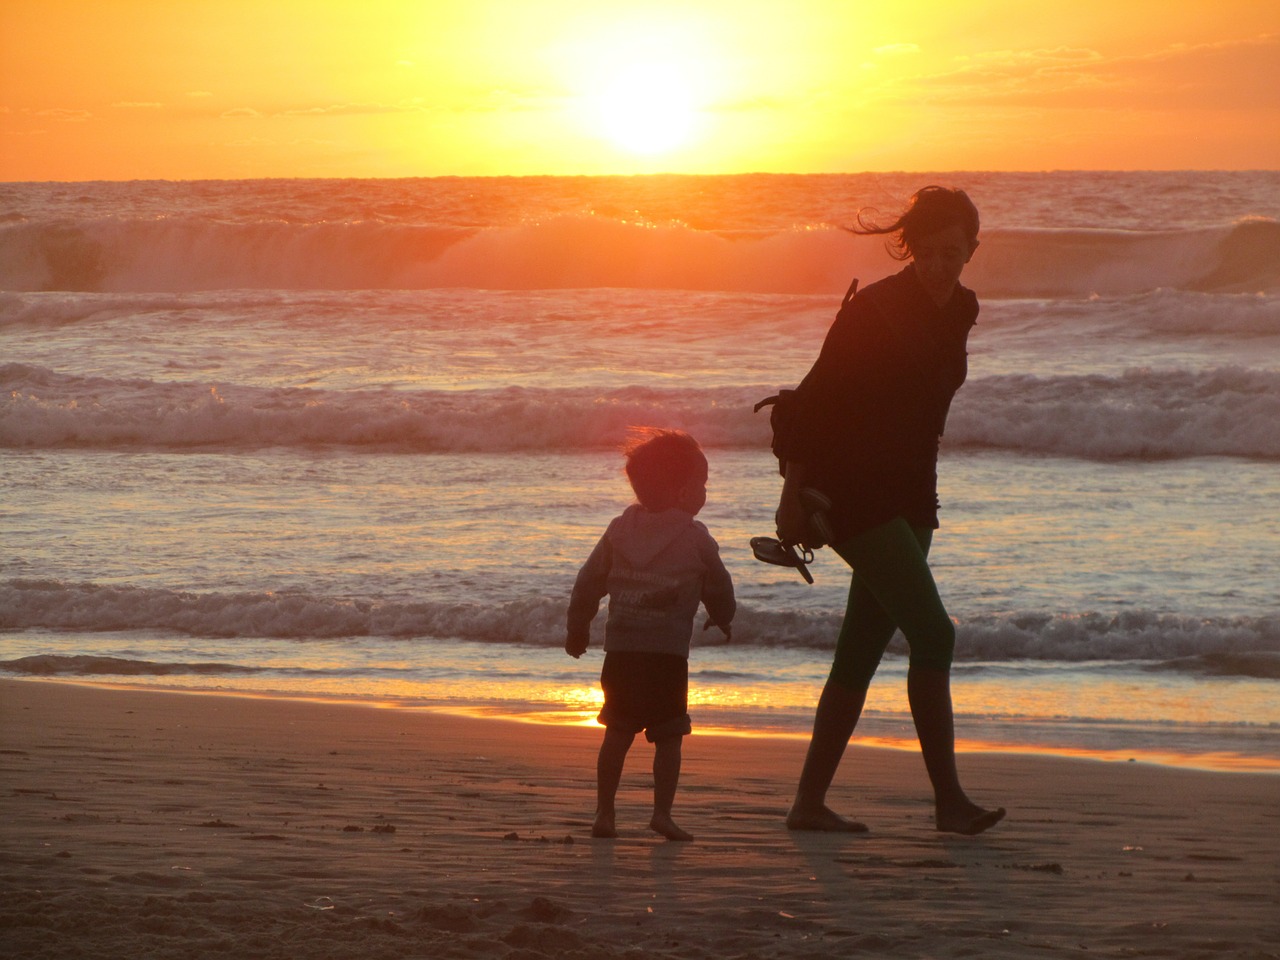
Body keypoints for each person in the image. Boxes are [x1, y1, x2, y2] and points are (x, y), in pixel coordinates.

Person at [779, 186, 1006, 836]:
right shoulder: (875, 309)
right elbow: (811, 406)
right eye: (929, 253)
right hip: (854, 491)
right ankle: (949, 803)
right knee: (935, 634)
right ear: (910, 249)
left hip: (914, 493)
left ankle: (808, 805)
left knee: (861, 649)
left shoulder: (963, 307)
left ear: (972, 251)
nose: (940, 265)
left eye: (953, 253)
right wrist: (791, 497)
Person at [566, 428, 735, 842]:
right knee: (670, 734)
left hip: (622, 650)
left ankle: (605, 813)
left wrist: (578, 626)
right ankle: (662, 813)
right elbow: (719, 585)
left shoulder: (619, 531)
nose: (705, 493)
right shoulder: (696, 538)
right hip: (667, 656)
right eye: (702, 484)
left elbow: (588, 583)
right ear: (681, 492)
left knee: (617, 731)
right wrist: (723, 615)